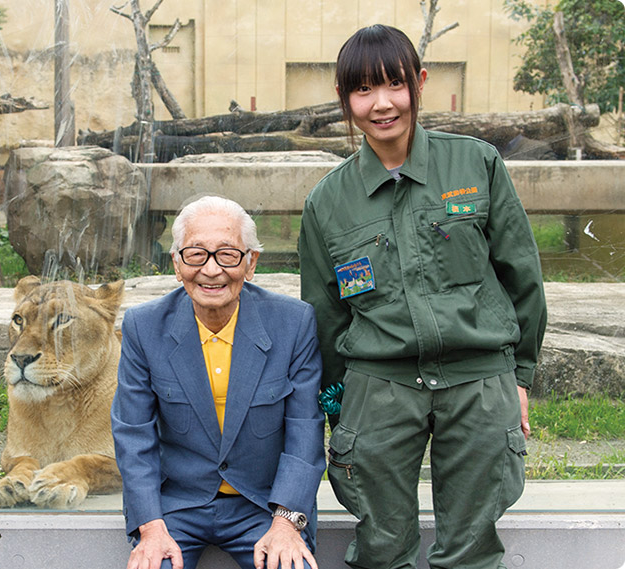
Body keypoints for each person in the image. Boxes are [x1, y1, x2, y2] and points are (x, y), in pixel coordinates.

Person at [297, 24, 547, 569]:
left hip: (477, 383)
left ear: (420, 83)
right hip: (380, 389)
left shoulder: (475, 165)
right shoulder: (327, 202)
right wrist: (340, 408)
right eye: (363, 90)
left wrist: (519, 376)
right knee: (383, 551)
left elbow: (521, 275)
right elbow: (324, 314)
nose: (381, 104)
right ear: (344, 100)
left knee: (471, 551)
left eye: (395, 85)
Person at [112, 196, 325, 569]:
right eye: (196, 254)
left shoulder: (293, 324)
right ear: (177, 264)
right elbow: (134, 436)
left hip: (264, 505)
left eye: (227, 255)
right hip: (176, 506)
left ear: (251, 262)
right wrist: (150, 526)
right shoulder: (143, 327)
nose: (211, 271)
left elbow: (305, 434)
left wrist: (287, 522)